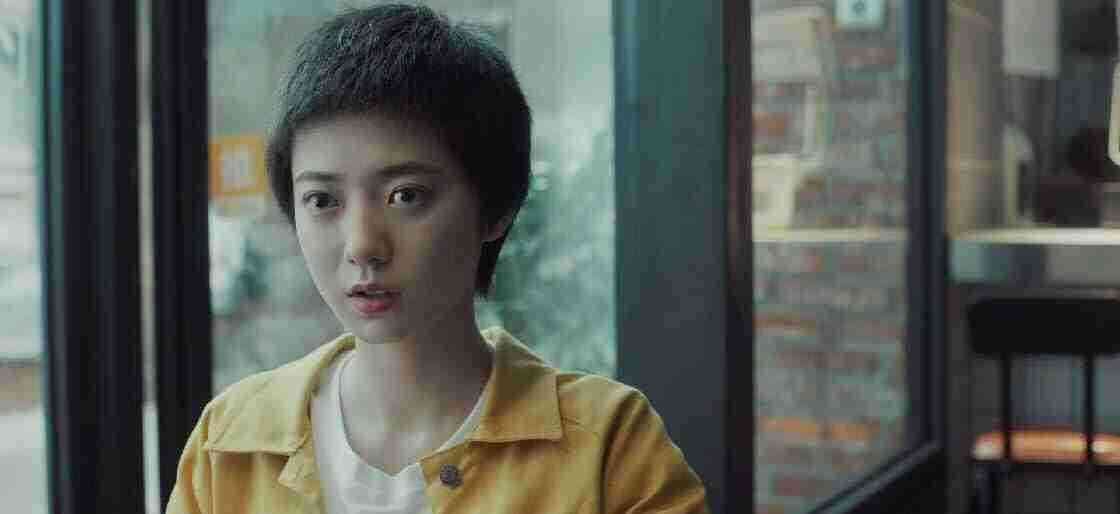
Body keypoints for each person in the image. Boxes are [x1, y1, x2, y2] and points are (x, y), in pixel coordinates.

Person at [166, 4, 710, 513]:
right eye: (323, 201)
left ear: (496, 207)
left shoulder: (610, 448)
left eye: (406, 195)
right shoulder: (229, 444)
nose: (362, 245)